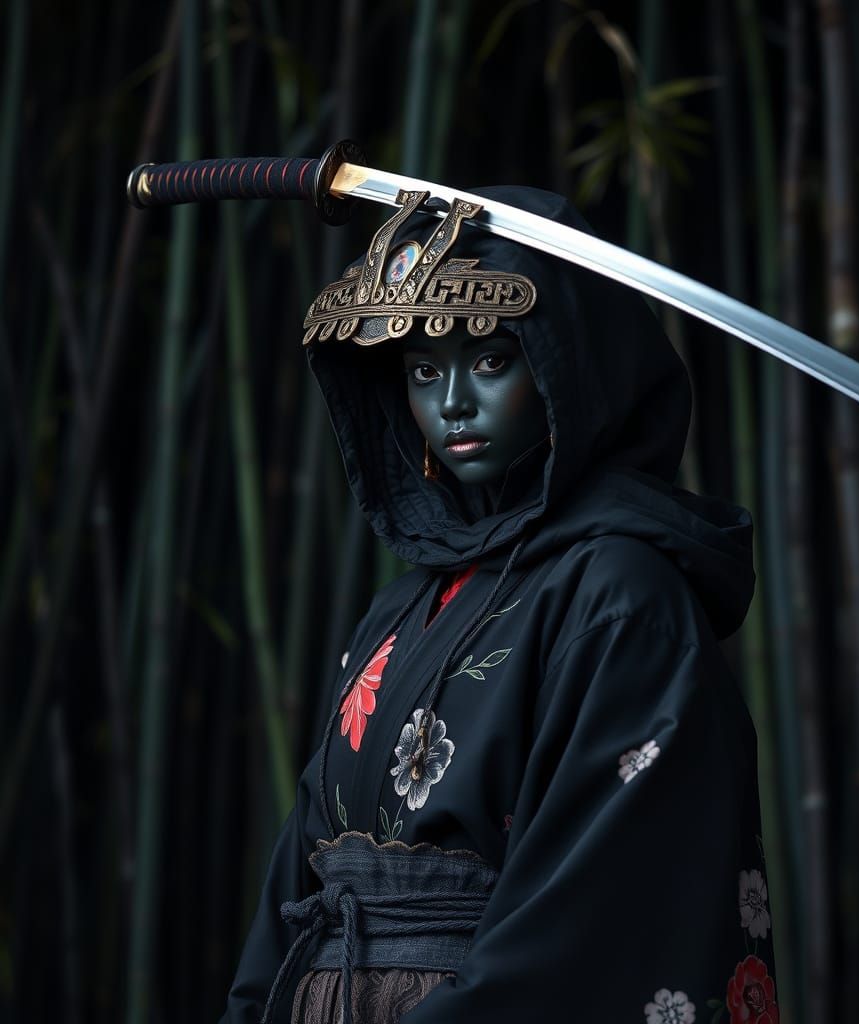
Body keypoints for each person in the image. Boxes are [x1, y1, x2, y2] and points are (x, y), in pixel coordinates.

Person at [221, 186, 779, 1024]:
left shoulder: (622, 596)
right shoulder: (400, 612)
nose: (450, 404)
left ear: (567, 366)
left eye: (490, 361)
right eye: (420, 371)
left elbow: (597, 905)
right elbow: (292, 882)